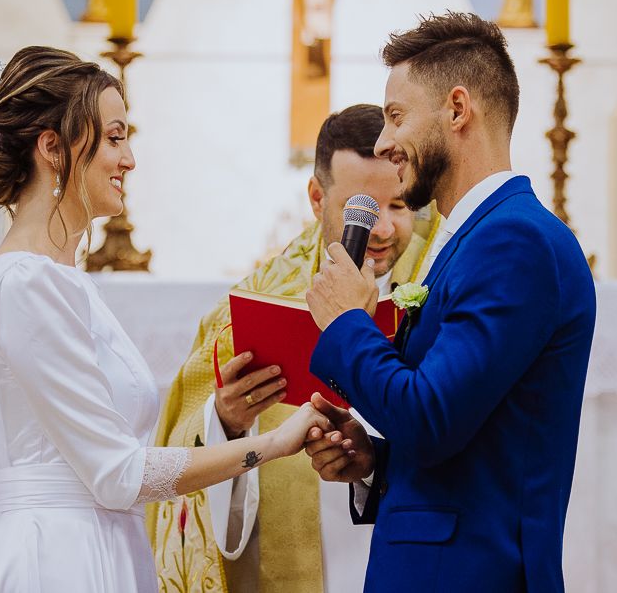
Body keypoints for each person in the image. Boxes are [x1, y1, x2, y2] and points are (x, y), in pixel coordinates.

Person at [0, 46, 330, 591]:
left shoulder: (60, 282)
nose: (129, 159)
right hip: (57, 557)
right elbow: (118, 474)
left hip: (95, 541)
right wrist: (275, 444)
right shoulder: (26, 285)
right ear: (52, 149)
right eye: (113, 138)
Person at [302, 12, 596, 592]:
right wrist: (375, 460)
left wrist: (348, 322)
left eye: (396, 116)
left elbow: (430, 418)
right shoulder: (477, 237)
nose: (384, 143)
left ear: (457, 109)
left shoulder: (514, 241)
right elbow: (468, 433)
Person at [149, 104, 440, 592]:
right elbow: (180, 439)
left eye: (397, 205)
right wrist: (227, 422)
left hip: (411, 545)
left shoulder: (443, 281)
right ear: (316, 198)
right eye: (362, 209)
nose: (383, 229)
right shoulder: (261, 300)